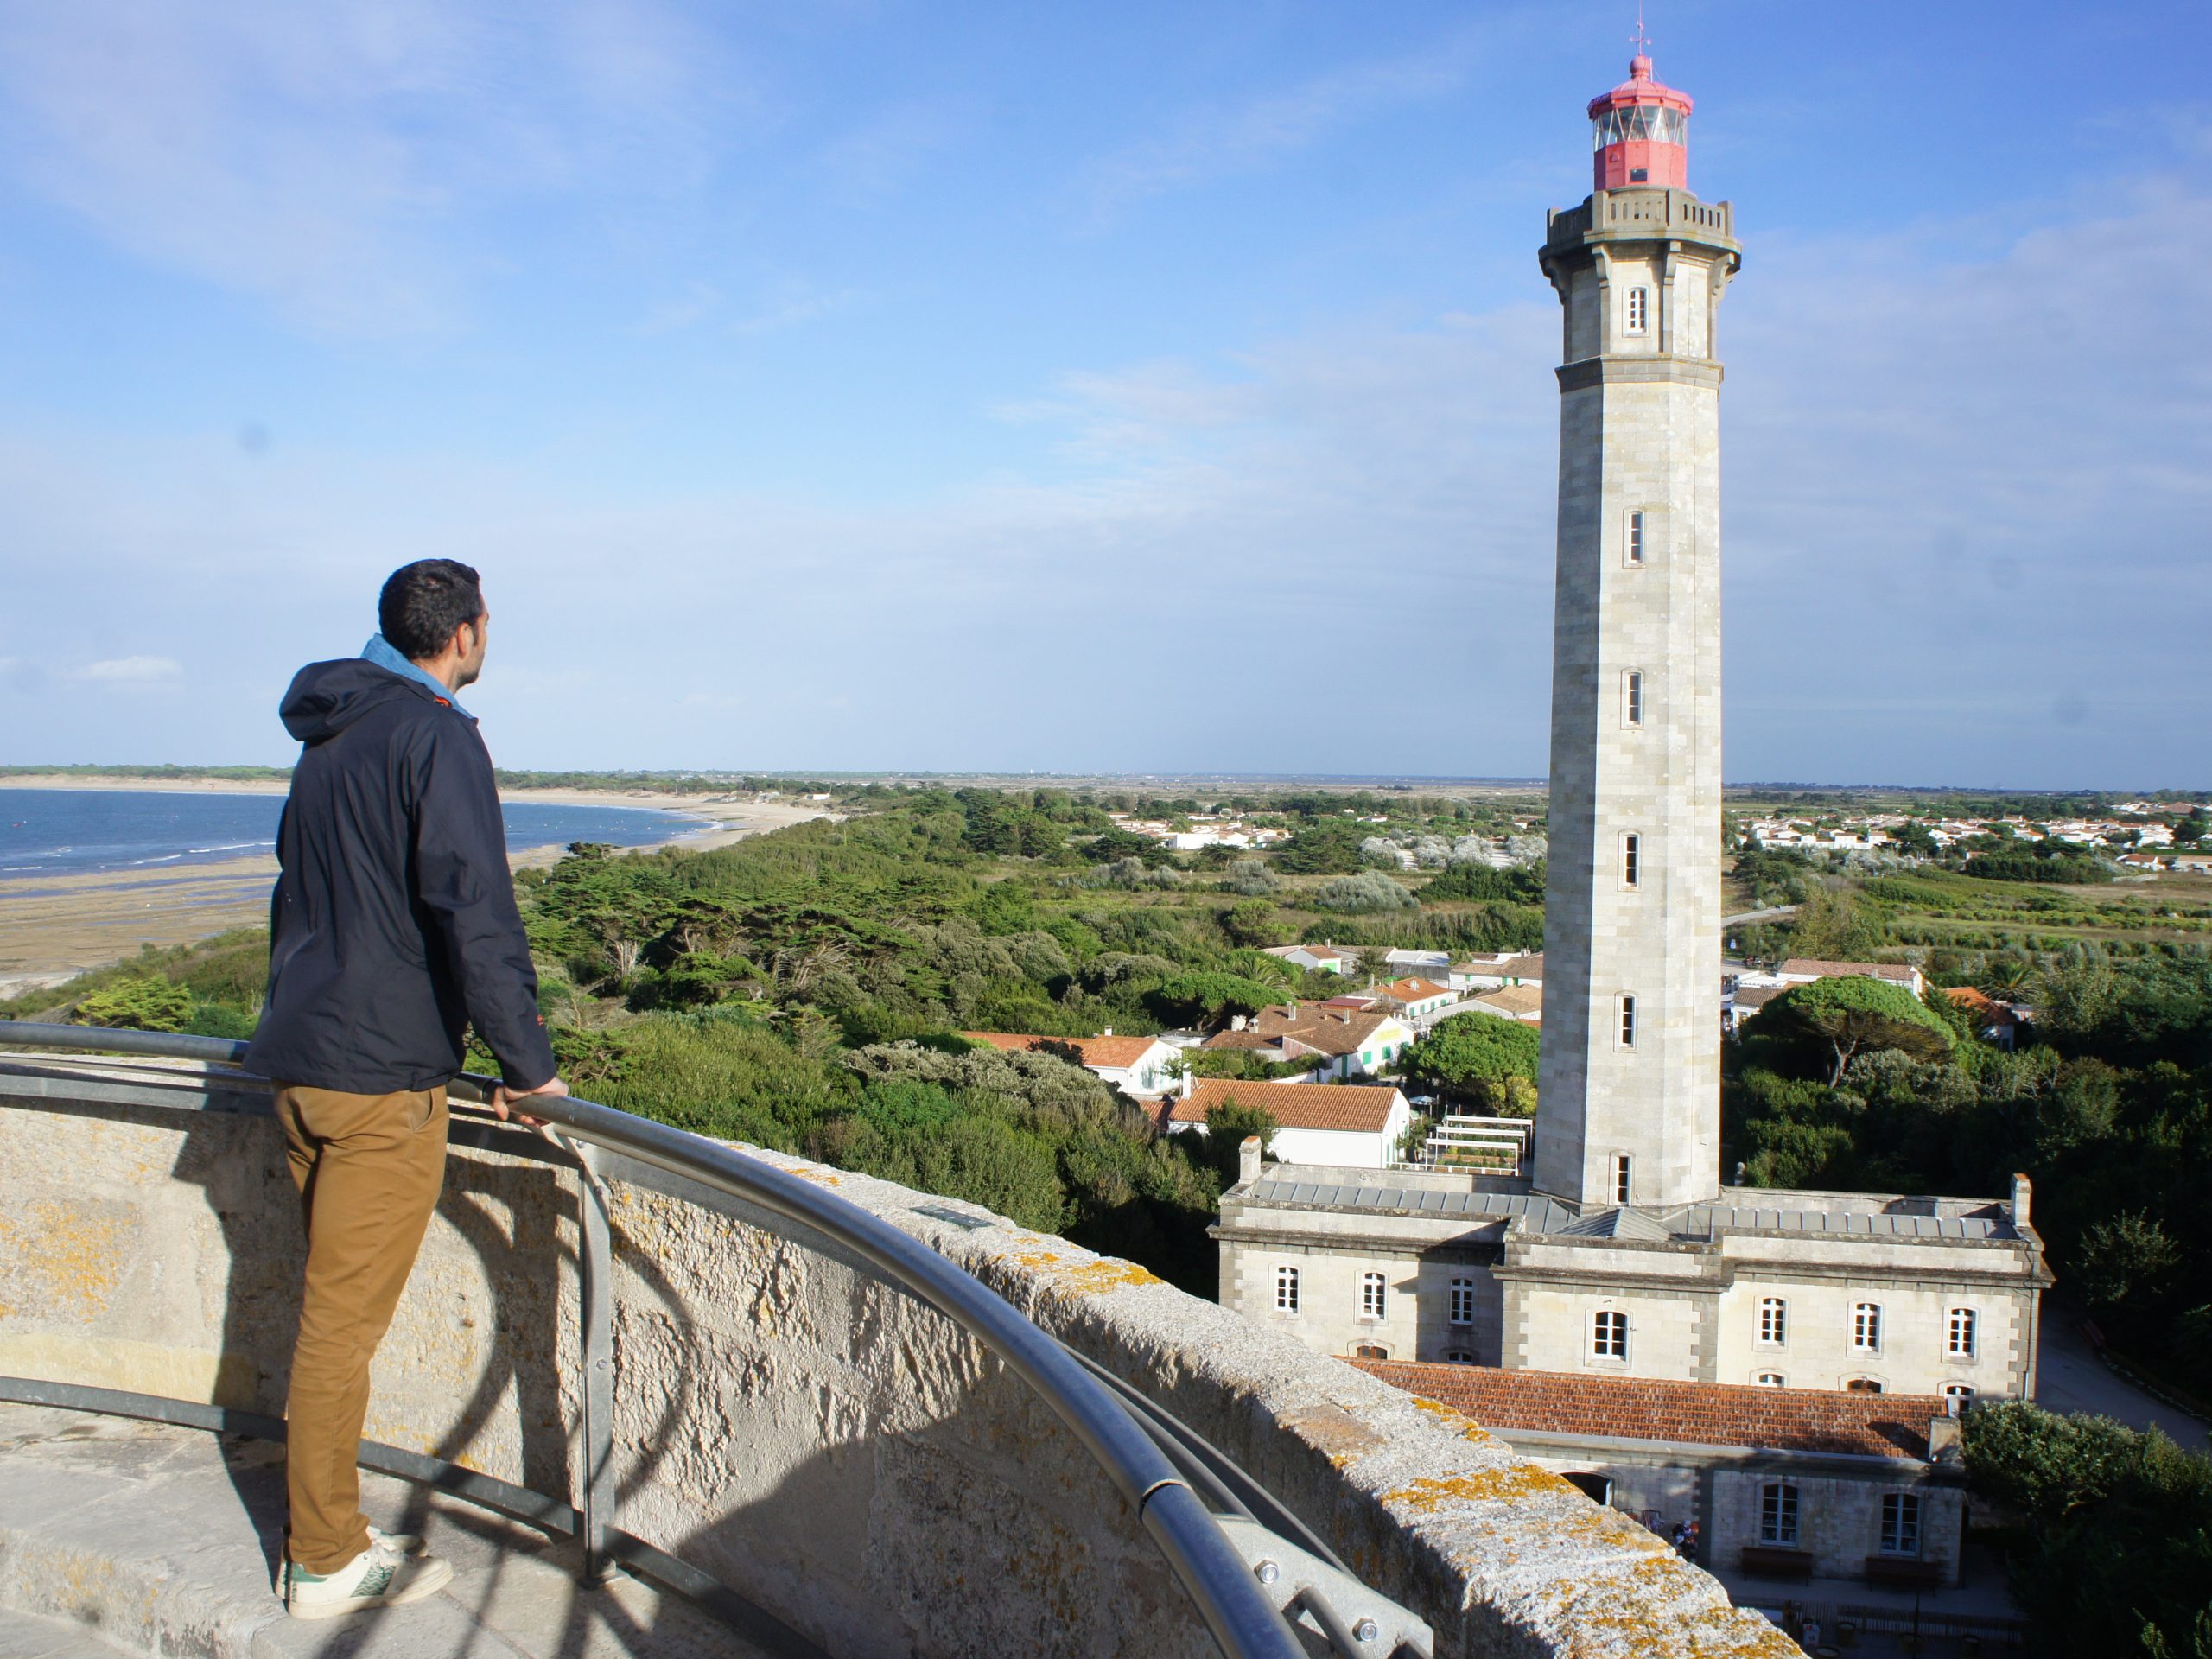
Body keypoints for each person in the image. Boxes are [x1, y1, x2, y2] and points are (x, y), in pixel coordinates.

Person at [245, 559, 565, 1620]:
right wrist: (530, 1070)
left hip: (298, 1059)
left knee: (327, 1317)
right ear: (467, 635)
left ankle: (326, 1529)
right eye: (483, 628)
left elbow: (303, 892)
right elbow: (473, 910)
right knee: (338, 1332)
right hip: (378, 1081)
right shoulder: (435, 736)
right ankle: (327, 1558)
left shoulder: (329, 731)